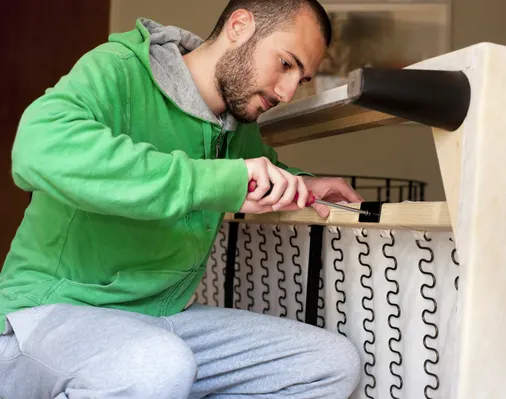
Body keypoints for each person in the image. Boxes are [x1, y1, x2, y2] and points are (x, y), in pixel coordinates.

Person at [0, 1, 364, 398]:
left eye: (302, 78)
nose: (288, 92)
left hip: (161, 318)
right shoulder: (121, 68)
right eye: (285, 64)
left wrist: (301, 185)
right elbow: (38, 148)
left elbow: (251, 177)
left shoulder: (236, 127)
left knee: (327, 364)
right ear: (240, 26)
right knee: (158, 367)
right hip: (47, 316)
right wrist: (220, 180)